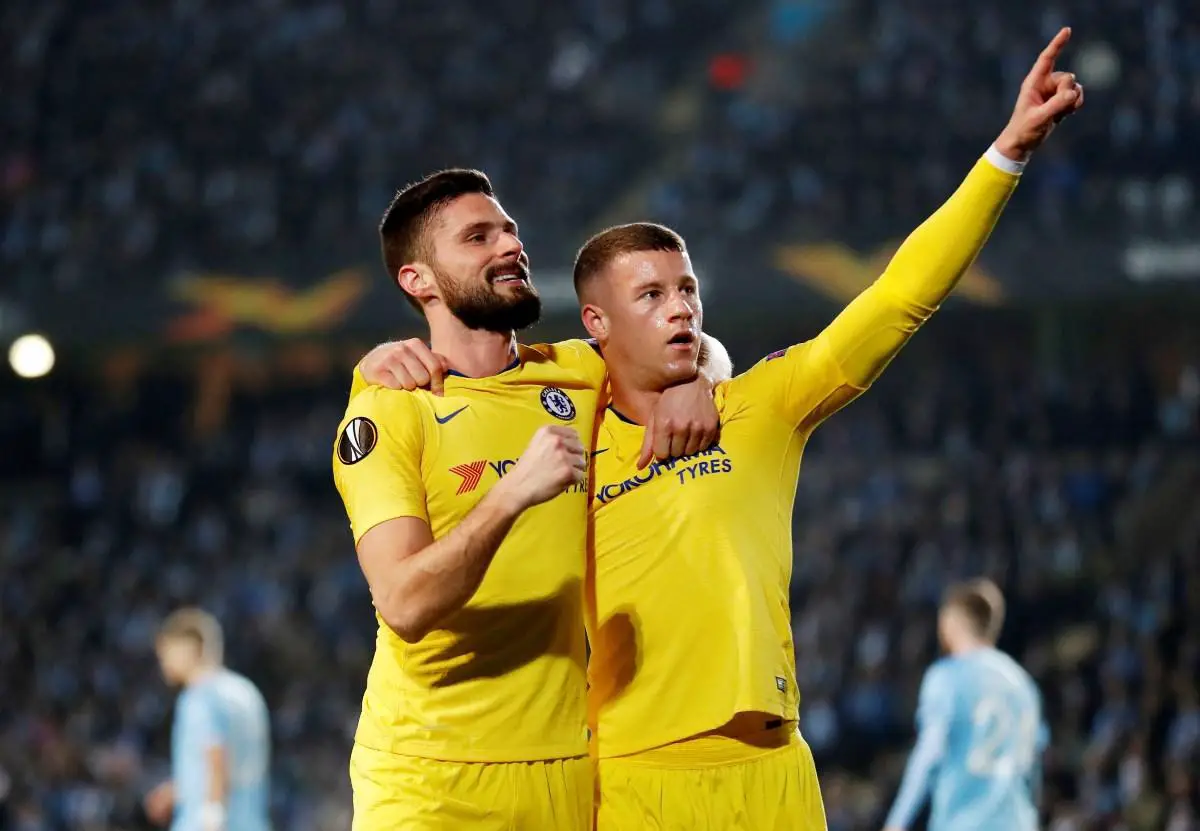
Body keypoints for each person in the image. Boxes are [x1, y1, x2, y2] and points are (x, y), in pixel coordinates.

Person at [360, 26, 1082, 829]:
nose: (679, 309)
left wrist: (1007, 154)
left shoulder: (758, 407)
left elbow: (897, 297)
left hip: (777, 774)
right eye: (651, 296)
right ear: (596, 324)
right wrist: (378, 363)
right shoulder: (567, 424)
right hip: (632, 782)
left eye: (688, 291)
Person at [333, 169, 728, 830]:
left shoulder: (577, 371)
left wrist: (698, 380)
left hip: (563, 773)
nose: (510, 245)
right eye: (478, 237)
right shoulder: (391, 410)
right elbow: (403, 603)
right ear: (418, 280)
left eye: (509, 230)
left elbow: (689, 345)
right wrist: (513, 492)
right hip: (429, 777)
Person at [883, 580, 1046, 831]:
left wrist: (897, 821)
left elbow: (930, 751)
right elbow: (1034, 764)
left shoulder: (947, 676)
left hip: (964, 821)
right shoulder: (1024, 684)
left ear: (951, 622)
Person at [144, 608, 270, 831]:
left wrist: (213, 817)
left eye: (166, 653)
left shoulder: (199, 697)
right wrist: (176, 791)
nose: (163, 663)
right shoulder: (245, 691)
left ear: (186, 649)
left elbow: (217, 757)